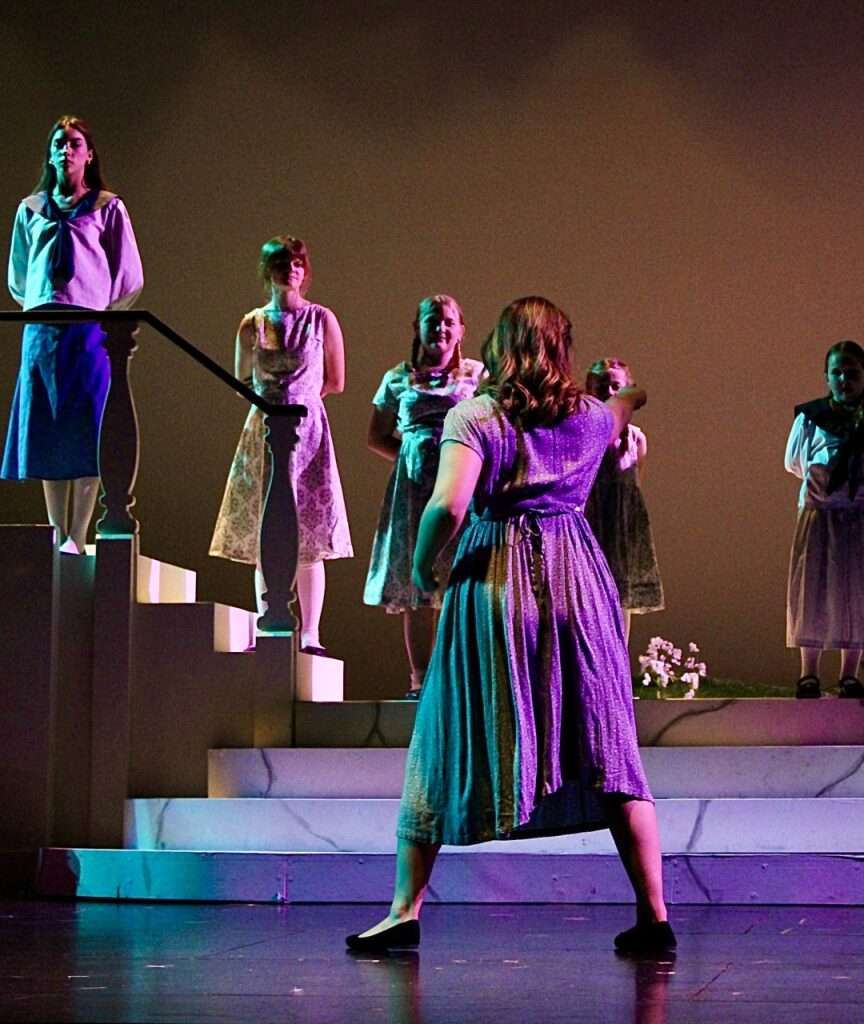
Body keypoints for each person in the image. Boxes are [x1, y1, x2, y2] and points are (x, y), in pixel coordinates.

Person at [346, 296, 673, 955]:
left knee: (445, 731)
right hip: (577, 581)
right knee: (607, 745)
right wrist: (632, 394)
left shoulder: (475, 416)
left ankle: (405, 910)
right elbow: (620, 408)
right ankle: (655, 915)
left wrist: (422, 563)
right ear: (562, 350)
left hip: (494, 577)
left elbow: (448, 506)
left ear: (498, 348)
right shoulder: (587, 417)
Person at [2, 115, 144, 554]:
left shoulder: (107, 207)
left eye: (75, 143)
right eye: (59, 143)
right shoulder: (31, 209)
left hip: (87, 331)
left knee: (88, 427)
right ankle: (54, 528)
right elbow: (18, 276)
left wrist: (96, 304)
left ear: (89, 154)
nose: (66, 150)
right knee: (48, 425)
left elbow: (129, 275)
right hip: (43, 330)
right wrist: (44, 300)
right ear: (50, 154)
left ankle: (77, 533)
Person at [209, 236, 352, 653]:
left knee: (308, 531)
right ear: (268, 270)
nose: (291, 270)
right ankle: (267, 621)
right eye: (282, 263)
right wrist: (274, 401)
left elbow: (336, 380)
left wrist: (300, 400)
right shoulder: (252, 323)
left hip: (307, 431)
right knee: (267, 529)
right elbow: (241, 379)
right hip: (266, 428)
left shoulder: (321, 319)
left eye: (297, 263)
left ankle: (310, 633)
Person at [363, 295, 484, 698]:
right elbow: (377, 436)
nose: (441, 328)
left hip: (461, 486)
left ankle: (461, 679)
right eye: (433, 321)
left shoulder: (477, 376)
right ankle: (420, 680)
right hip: (414, 493)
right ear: (418, 327)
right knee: (419, 588)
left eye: (449, 321)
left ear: (461, 329)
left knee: (462, 580)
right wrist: (411, 458)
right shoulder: (397, 377)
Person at [785, 340, 864, 698]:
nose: (844, 379)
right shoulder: (811, 418)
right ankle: (809, 672)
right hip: (821, 514)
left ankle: (849, 674)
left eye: (852, 372)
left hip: (863, 517)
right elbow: (795, 462)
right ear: (826, 377)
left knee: (857, 589)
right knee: (814, 589)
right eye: (836, 372)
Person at [583, 357, 665, 642]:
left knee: (622, 596)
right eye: (601, 386)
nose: (609, 393)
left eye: (616, 387)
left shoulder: (636, 439)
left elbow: (634, 483)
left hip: (622, 528)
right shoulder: (584, 433)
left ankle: (619, 656)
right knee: (589, 595)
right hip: (593, 521)